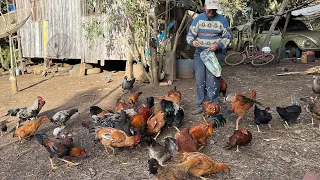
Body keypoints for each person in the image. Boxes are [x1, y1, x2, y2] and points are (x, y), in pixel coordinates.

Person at [186, 0, 231, 115]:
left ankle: (213, 106)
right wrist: (193, 42)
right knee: (200, 80)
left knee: (213, 81)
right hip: (200, 54)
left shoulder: (222, 20)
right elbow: (190, 35)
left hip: (215, 55)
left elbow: (227, 37)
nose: (211, 11)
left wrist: (218, 45)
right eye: (209, 8)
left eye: (214, 9)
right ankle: (201, 105)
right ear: (204, 7)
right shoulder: (198, 19)